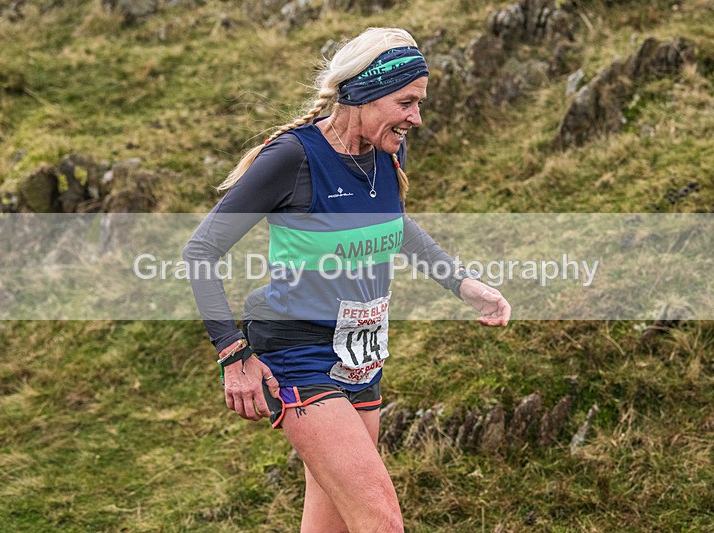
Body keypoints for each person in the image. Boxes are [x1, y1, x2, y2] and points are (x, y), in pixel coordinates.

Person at [183, 27, 511, 533]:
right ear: (365, 93)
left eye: (419, 103)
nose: (416, 118)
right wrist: (232, 353)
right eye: (407, 102)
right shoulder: (293, 157)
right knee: (381, 520)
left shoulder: (388, 149)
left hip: (362, 355)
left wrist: (463, 284)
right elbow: (201, 251)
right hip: (298, 352)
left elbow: (394, 226)